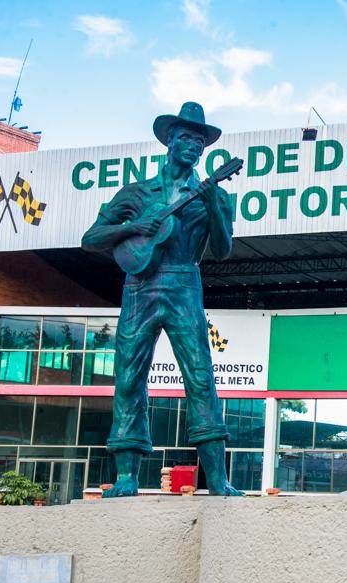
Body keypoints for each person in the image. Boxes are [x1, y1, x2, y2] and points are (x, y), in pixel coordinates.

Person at [82, 102, 242, 497]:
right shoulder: (136, 193)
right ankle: (127, 476)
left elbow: (221, 250)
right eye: (186, 137)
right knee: (129, 377)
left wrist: (212, 206)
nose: (193, 146)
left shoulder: (213, 196)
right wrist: (134, 226)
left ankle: (218, 480)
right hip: (138, 286)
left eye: (200, 142)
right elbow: (91, 239)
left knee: (201, 375)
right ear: (169, 140)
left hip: (184, 283)